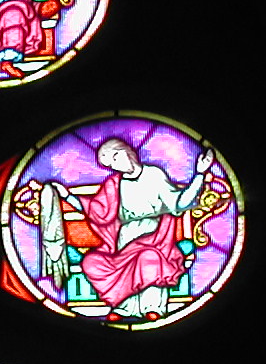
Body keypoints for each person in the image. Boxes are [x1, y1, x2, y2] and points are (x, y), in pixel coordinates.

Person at [65, 138, 217, 322]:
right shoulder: (114, 184)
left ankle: (152, 308)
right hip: (123, 240)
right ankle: (124, 308)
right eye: (110, 165)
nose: (115, 166)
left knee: (148, 258)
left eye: (115, 158)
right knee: (91, 262)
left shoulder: (154, 174)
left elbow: (179, 203)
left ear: (125, 151)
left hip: (155, 238)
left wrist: (199, 175)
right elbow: (95, 211)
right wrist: (67, 196)